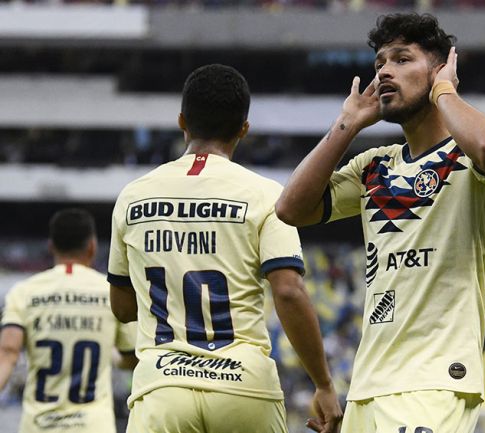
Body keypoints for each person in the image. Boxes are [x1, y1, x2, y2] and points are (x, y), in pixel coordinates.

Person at [276, 13, 485, 433]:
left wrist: (443, 91)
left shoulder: (469, 158)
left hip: (433, 382)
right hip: (368, 387)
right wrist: (349, 123)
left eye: (403, 59)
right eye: (379, 64)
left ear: (440, 68)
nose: (386, 71)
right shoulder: (374, 166)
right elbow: (291, 209)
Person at [107, 64, 342, 433]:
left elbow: (121, 309)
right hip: (244, 385)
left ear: (182, 121)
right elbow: (288, 291)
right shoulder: (266, 195)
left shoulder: (133, 196)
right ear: (243, 129)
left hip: (161, 388)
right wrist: (324, 384)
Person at [0, 208, 138, 433]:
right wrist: (110, 355)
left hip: (38, 425)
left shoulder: (24, 292)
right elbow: (131, 358)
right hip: (93, 426)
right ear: (92, 246)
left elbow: (7, 352)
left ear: (51, 246)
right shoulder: (110, 292)